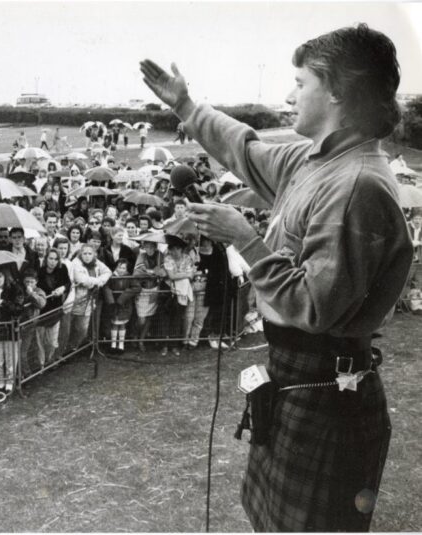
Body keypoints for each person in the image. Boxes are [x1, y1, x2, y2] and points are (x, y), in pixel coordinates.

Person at [141, 23, 412, 531]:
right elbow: (243, 148)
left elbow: (314, 307)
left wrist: (244, 238)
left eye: (300, 83)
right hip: (299, 381)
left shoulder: (356, 184)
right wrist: (187, 106)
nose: (290, 95)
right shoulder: (316, 161)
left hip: (328, 393)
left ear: (336, 91)